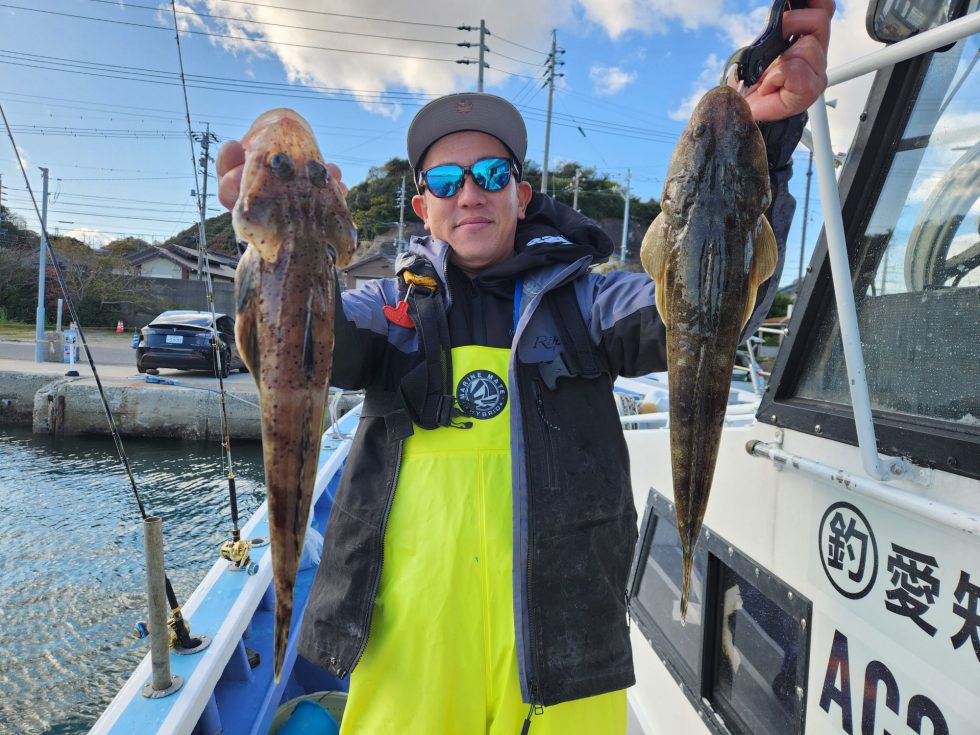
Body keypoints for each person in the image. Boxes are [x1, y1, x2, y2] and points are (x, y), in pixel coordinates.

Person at [216, 3, 832, 731]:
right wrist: (276, 251)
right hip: (408, 649)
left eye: (488, 172)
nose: (468, 191)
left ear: (521, 192)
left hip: (564, 655)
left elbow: (710, 309)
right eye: (445, 180)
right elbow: (300, 347)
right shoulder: (388, 308)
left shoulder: (591, 305)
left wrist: (770, 138)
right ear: (422, 205)